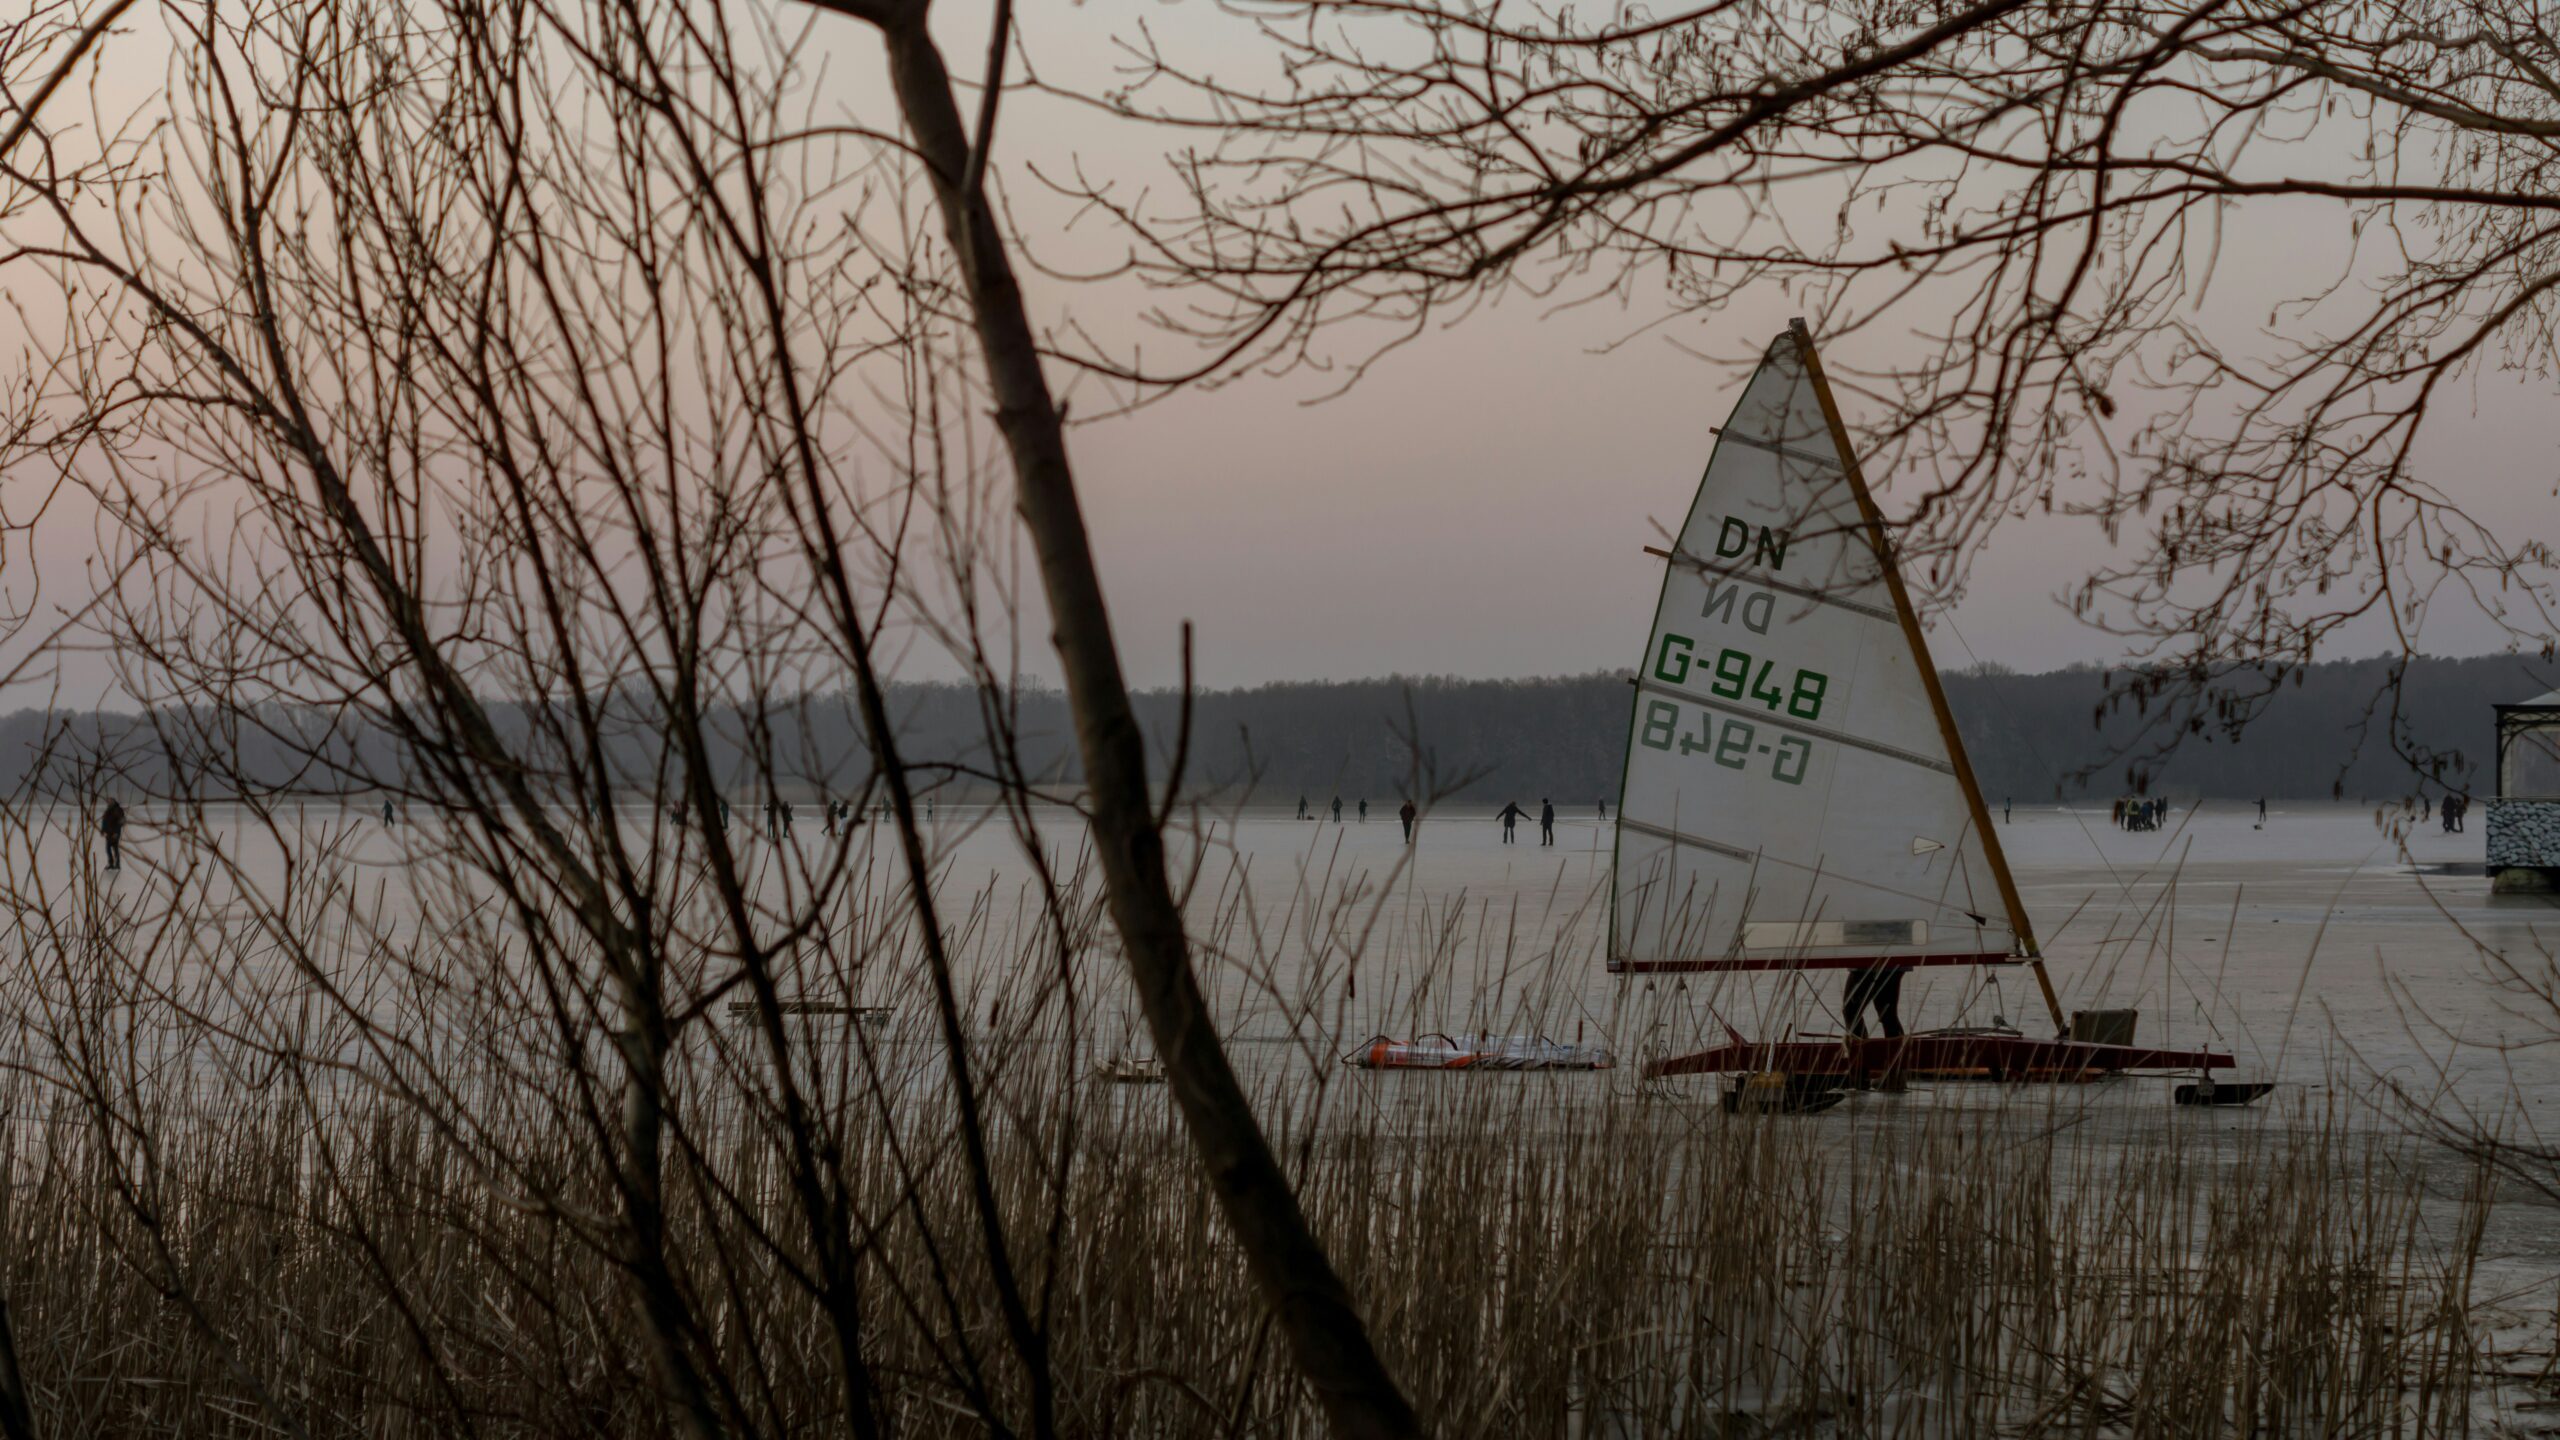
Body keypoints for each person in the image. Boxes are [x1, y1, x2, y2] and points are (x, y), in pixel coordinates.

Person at [1842, 965, 1905, 1039]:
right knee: (1888, 1014)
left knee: (1851, 1011)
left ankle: (1860, 1048)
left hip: (1868, 963)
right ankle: (1898, 1048)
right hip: (1893, 962)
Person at [100, 798, 125, 872]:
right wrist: (102, 830)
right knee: (108, 849)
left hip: (115, 833)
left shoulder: (118, 810)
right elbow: (104, 821)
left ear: (114, 802)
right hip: (108, 833)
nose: (109, 802)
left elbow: (121, 822)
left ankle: (117, 864)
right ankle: (111, 864)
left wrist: (116, 832)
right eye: (108, 801)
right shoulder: (107, 811)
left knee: (115, 848)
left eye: (110, 801)